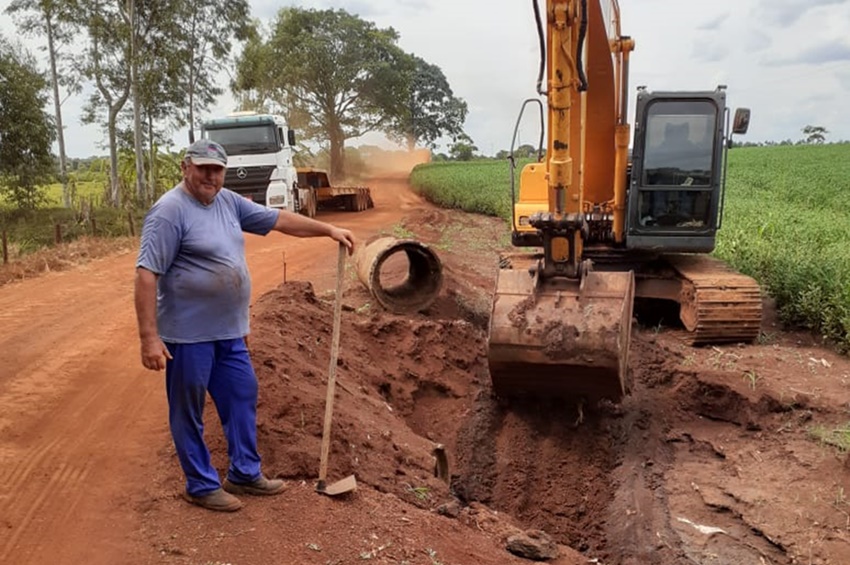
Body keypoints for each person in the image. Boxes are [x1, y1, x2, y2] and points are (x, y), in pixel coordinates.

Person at [134, 139, 355, 512]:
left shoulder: (228, 202)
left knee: (242, 395)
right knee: (187, 410)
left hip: (229, 332)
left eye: (217, 169)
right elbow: (146, 274)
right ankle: (200, 485)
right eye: (203, 168)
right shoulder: (169, 212)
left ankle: (244, 473)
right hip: (188, 336)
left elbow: (280, 220)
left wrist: (327, 229)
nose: (210, 176)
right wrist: (149, 339)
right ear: (186, 167)